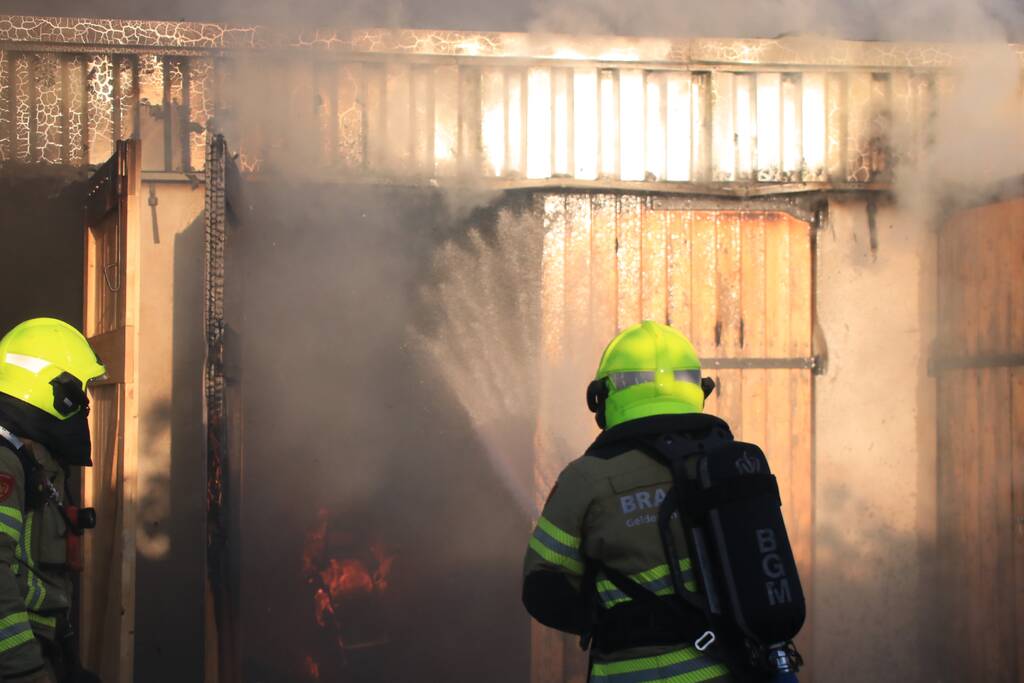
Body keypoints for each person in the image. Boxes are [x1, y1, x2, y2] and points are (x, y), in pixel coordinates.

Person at [522, 321, 803, 683]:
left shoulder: (586, 479)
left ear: (603, 397)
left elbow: (541, 586)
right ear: (698, 389)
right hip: (744, 670)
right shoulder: (730, 466)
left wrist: (601, 619)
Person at [0, 318, 106, 683]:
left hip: (45, 647)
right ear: (59, 393)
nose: (85, 406)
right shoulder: (5, 462)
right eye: (81, 392)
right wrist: (27, 671)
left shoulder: (29, 457)